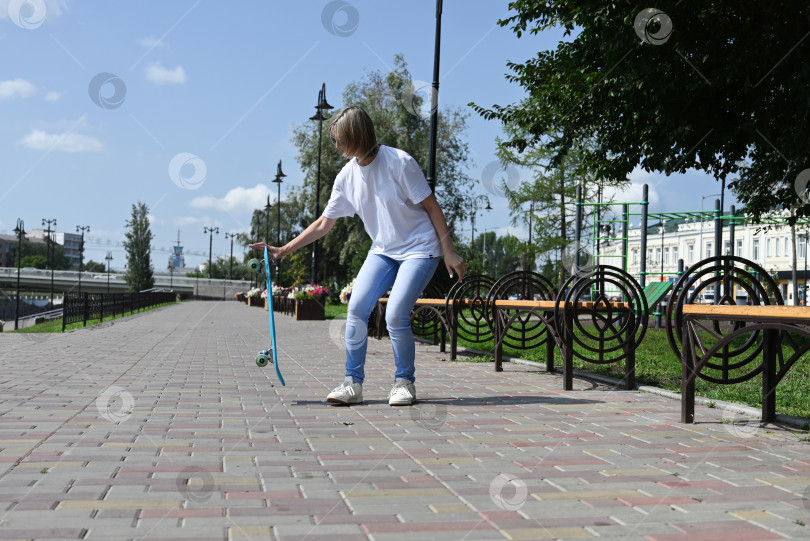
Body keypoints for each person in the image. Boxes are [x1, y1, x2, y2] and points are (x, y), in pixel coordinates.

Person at [250, 105, 466, 406]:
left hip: (419, 249)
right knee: (356, 310)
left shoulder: (399, 162)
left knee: (395, 314)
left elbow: (431, 206)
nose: (335, 145)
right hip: (383, 252)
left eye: (338, 139)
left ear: (355, 136)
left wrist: (449, 251)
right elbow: (324, 223)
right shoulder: (347, 176)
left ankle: (404, 383)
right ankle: (353, 383)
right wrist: (284, 249)